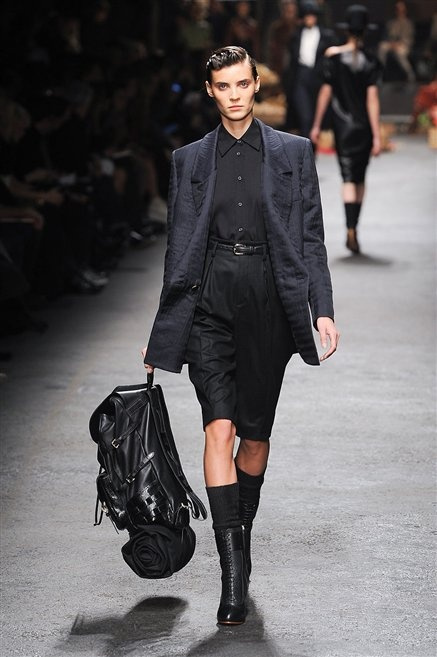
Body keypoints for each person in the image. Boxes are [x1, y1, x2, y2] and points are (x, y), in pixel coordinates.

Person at [142, 45, 339, 626]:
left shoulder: (293, 153)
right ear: (210, 91)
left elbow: (310, 237)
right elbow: (179, 249)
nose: (233, 95)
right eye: (222, 86)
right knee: (219, 427)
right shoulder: (188, 160)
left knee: (253, 437)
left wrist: (322, 309)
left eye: (241, 84)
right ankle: (232, 577)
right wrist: (163, 329)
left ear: (256, 85)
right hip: (209, 299)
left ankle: (240, 536)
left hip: (269, 301)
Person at [310, 5, 382, 254]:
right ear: (366, 30)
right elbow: (372, 100)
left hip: (342, 128)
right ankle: (354, 227)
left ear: (347, 30)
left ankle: (349, 229)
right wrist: (377, 136)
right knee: (360, 178)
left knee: (348, 178)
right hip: (363, 128)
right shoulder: (371, 61)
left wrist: (317, 125)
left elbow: (325, 92)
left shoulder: (334, 57)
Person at [283, 0, 337, 137]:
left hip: (318, 78)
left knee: (316, 117)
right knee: (305, 117)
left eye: (312, 15)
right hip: (301, 76)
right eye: (307, 15)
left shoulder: (326, 36)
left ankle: (312, 147)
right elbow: (291, 60)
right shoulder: (295, 35)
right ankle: (306, 146)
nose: (309, 18)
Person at [378, 1, 415, 82]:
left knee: (400, 53)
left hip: (403, 45)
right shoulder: (391, 23)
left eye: (402, 10)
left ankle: (410, 74)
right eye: (398, 10)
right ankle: (380, 74)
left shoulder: (408, 23)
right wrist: (391, 43)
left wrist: (399, 44)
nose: (400, 12)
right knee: (382, 47)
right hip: (391, 44)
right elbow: (387, 36)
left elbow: (409, 38)